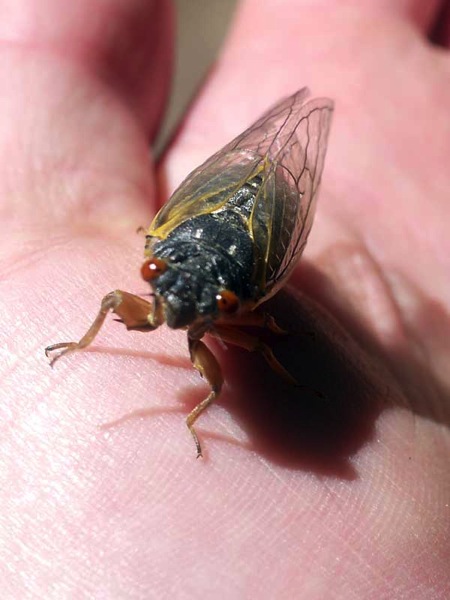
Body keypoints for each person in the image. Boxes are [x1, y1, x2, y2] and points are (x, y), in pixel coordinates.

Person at [1, 0, 449, 596]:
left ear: (227, 308)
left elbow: (241, 360)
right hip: (212, 229)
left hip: (259, 241)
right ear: (155, 267)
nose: (169, 300)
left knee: (235, 365)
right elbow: (117, 301)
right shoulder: (171, 290)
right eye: (153, 271)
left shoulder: (236, 301)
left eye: (217, 308)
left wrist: (254, 337)